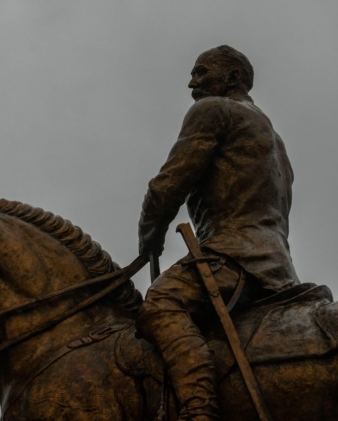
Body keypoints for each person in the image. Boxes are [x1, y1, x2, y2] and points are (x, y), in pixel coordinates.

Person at [136, 45, 300, 421]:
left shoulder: (214, 110)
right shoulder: (276, 139)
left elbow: (168, 185)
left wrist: (150, 236)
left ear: (232, 78)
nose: (191, 82)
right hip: (278, 267)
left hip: (233, 256)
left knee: (161, 302)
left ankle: (199, 410)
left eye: (201, 72)